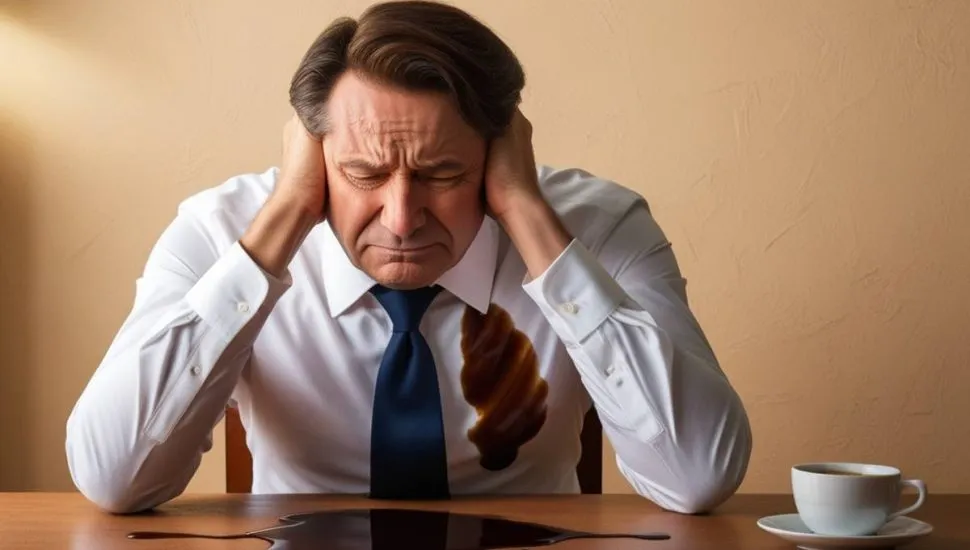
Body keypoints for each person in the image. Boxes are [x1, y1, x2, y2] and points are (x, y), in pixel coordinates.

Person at [65, 0, 752, 515]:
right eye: (363, 173)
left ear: (498, 152)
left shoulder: (600, 229)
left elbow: (698, 477)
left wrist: (529, 217)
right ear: (312, 153)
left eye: (443, 173)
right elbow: (113, 479)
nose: (400, 218)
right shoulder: (221, 235)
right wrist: (282, 224)